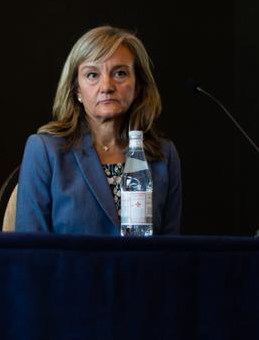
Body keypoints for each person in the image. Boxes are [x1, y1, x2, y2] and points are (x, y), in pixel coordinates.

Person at [15, 26, 182, 235]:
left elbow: (170, 248)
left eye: (120, 73)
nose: (106, 86)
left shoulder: (164, 155)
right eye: (92, 75)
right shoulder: (45, 150)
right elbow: (30, 246)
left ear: (138, 85)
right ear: (76, 89)